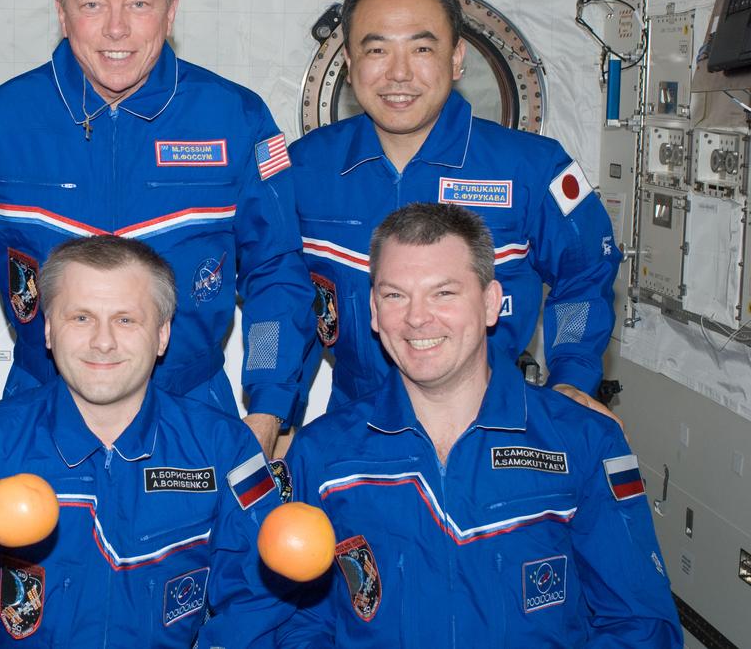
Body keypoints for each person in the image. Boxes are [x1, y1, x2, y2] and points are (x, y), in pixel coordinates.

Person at [0, 0, 312, 454]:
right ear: (62, 14)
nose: (115, 30)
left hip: (195, 415)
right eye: (92, 5)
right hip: (38, 416)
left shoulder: (234, 119)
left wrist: (269, 404)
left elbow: (276, 272)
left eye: (138, 4)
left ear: (171, 12)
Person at [272, 203, 681, 646]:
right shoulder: (323, 455)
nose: (416, 317)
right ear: (373, 310)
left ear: (490, 304)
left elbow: (641, 627)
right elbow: (294, 623)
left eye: (443, 293)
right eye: (394, 295)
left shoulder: (584, 443)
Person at [0, 236, 285, 647]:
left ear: (162, 334)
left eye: (126, 320)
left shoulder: (225, 448)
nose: (103, 342)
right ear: (49, 330)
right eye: (81, 318)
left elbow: (260, 596)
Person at [290, 0, 621, 415]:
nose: (399, 74)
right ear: (349, 64)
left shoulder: (531, 168)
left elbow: (585, 271)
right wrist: (279, 411)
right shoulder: (305, 168)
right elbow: (286, 298)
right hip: (355, 432)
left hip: (495, 430)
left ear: (457, 58)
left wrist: (573, 379)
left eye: (422, 50)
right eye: (377, 51)